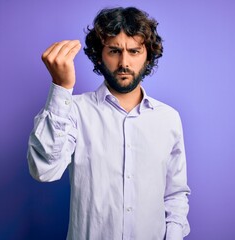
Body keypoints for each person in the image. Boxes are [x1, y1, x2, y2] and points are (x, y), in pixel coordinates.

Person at [27, 6, 190, 240]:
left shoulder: (168, 118)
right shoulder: (72, 111)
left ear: (147, 56)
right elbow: (44, 170)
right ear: (99, 54)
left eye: (134, 51)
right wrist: (61, 88)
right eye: (114, 51)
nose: (124, 62)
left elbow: (175, 194)